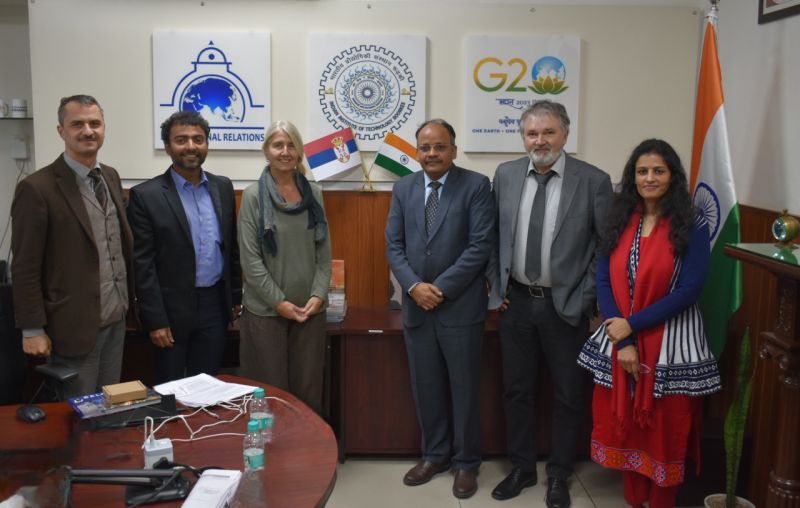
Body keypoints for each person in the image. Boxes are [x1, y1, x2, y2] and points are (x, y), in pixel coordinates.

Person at [577, 139, 721, 508]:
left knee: (664, 428)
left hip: (671, 344)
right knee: (625, 430)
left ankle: (660, 502)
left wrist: (631, 325)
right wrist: (620, 334)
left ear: (673, 176)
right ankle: (633, 499)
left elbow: (688, 291)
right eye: (642, 171)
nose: (650, 178)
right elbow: (604, 278)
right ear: (632, 177)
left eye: (659, 170)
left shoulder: (693, 225)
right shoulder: (620, 219)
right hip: (620, 335)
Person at [488, 100, 613, 507]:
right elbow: (493, 239)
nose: (539, 141)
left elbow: (604, 247)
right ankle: (522, 469)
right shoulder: (505, 175)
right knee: (517, 391)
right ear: (522, 136)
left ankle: (559, 473)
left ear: (565, 134)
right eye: (531, 133)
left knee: (567, 394)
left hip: (566, 307)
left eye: (548, 132)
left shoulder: (593, 180)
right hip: (517, 304)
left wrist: (586, 299)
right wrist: (497, 289)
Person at [386, 119, 495, 499]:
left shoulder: (477, 186)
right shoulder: (403, 187)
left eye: (440, 147)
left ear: (453, 149)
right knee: (426, 387)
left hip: (460, 308)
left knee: (465, 389)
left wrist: (441, 289)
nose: (432, 154)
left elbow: (480, 246)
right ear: (417, 151)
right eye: (425, 147)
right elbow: (394, 246)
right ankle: (435, 455)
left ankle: (466, 463)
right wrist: (415, 287)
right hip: (418, 308)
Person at [11, 94, 133, 398]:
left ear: (104, 127)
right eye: (77, 124)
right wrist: (32, 329)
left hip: (116, 318)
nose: (88, 130)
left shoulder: (111, 177)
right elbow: (25, 266)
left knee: (109, 405)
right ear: (61, 131)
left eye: (95, 123)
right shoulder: (37, 188)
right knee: (77, 414)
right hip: (71, 325)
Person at [128, 111, 242, 384]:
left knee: (207, 386)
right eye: (181, 140)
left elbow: (231, 248)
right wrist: (155, 319)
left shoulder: (223, 187)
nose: (191, 146)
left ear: (206, 144)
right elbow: (142, 265)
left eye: (198, 139)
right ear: (168, 146)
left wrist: (235, 299)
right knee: (170, 390)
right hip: (170, 312)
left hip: (214, 306)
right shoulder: (147, 196)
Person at [237, 120, 331, 415]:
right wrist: (280, 303)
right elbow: (250, 261)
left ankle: (307, 459)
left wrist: (318, 295)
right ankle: (272, 459)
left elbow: (324, 252)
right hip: (266, 313)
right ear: (266, 151)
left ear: (300, 152)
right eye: (278, 145)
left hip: (309, 312)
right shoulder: (253, 196)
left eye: (291, 145)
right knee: (270, 395)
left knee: (308, 393)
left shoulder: (314, 193)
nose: (285, 151)